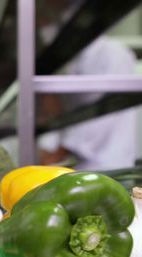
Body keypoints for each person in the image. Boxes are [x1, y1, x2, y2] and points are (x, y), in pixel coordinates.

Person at [37, 36, 138, 171]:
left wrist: (60, 152)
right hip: (80, 167)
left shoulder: (111, 53)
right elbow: (61, 114)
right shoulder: (71, 62)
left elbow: (102, 115)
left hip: (110, 163)